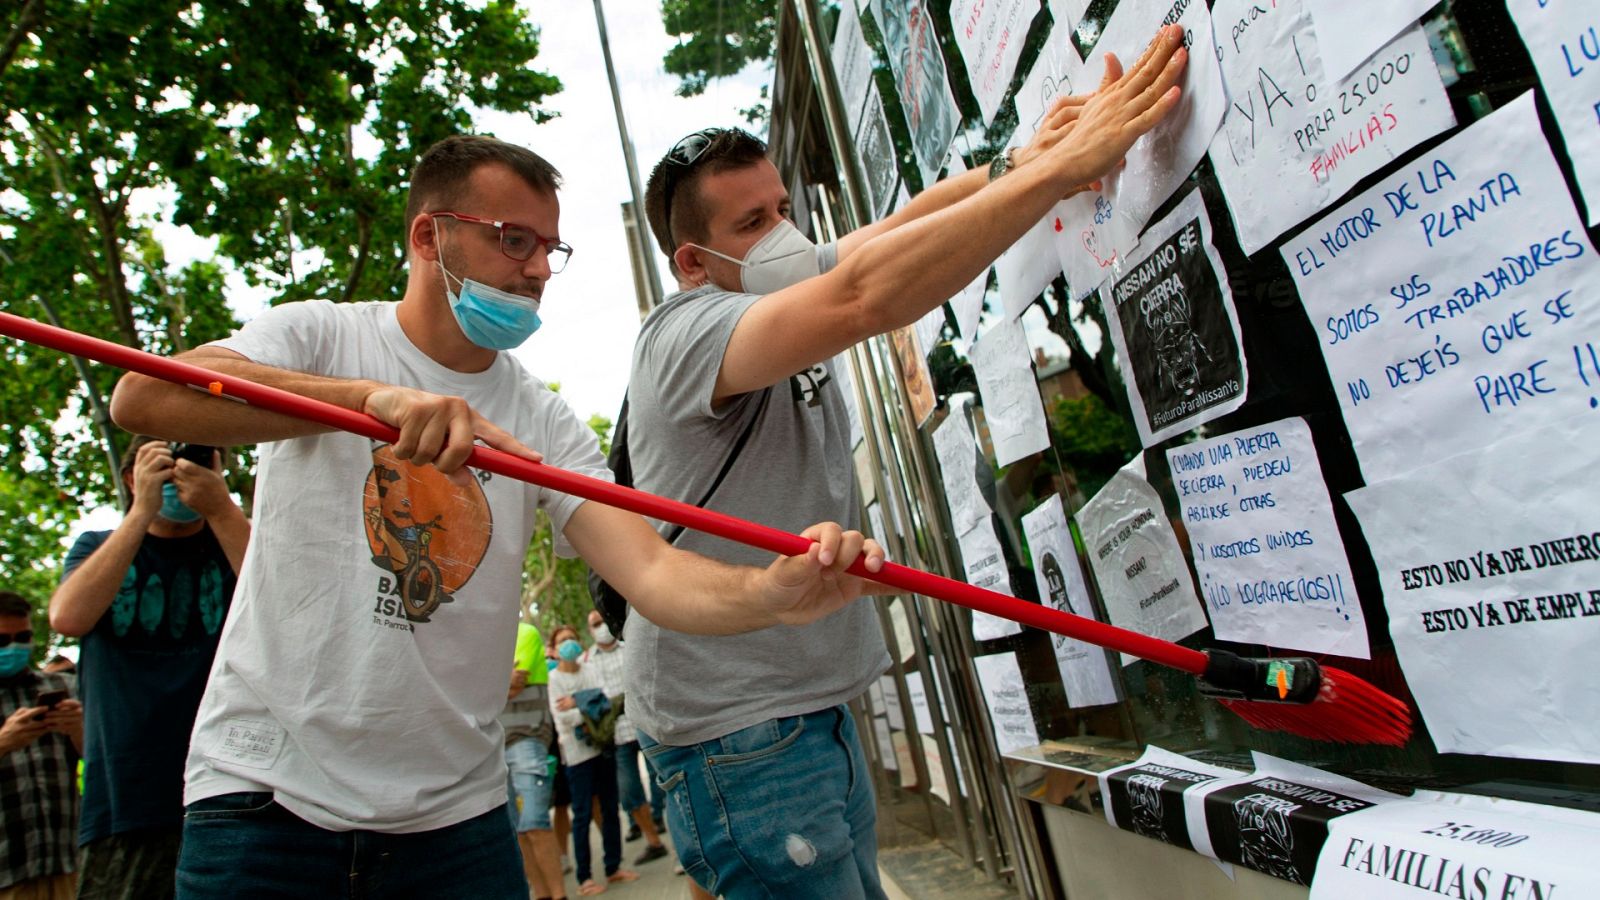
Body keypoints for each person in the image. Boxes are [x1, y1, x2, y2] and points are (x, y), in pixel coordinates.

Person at [107, 134, 886, 899]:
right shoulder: (321, 335)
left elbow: (652, 572)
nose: (540, 269)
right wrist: (367, 401)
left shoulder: (541, 423)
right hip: (263, 798)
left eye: (552, 247)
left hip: (458, 822)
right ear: (428, 234)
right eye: (515, 240)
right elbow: (143, 396)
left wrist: (766, 596)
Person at [627, 26, 1190, 899]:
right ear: (695, 264)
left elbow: (881, 239)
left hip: (802, 711)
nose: (783, 233)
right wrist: (1057, 169)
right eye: (752, 223)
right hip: (739, 734)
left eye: (781, 208)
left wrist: (1017, 165)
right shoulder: (685, 333)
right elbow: (864, 293)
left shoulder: (772, 280)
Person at [49, 436, 247, 900]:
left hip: (231, 790)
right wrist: (141, 510)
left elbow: (290, 606)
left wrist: (220, 508)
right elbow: (68, 618)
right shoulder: (97, 547)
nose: (179, 475)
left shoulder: (237, 541)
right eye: (164, 464)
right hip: (124, 796)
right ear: (130, 476)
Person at [0, 590, 83, 900]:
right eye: (2, 641)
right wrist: (4, 742)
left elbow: (102, 762)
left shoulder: (65, 686)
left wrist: (79, 729)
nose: (13, 648)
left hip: (66, 861)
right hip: (6, 869)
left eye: (22, 637)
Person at [547, 625, 632, 896]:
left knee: (610, 808)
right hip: (576, 756)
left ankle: (613, 867)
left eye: (572, 638)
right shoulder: (554, 680)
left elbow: (605, 703)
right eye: (562, 641)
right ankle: (584, 877)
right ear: (555, 648)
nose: (569, 643)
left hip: (602, 747)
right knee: (582, 814)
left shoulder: (589, 669)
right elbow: (563, 718)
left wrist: (575, 702)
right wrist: (587, 704)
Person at [580, 610, 668, 866]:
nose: (600, 628)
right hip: (616, 736)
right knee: (628, 790)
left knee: (661, 779)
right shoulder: (587, 661)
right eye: (594, 624)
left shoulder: (630, 644)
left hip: (646, 725)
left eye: (601, 622)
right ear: (590, 630)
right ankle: (653, 840)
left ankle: (661, 819)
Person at [502, 619, 563, 900]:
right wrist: (501, 680)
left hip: (527, 738)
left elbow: (516, 685)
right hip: (495, 748)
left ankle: (559, 894)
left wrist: (487, 682)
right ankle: (541, 894)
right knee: (517, 831)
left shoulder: (524, 633)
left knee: (535, 822)